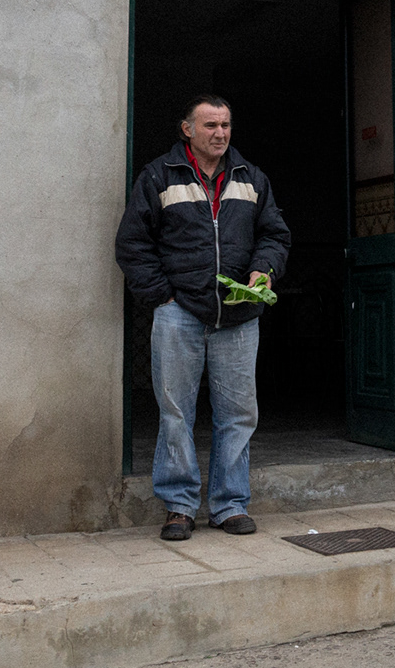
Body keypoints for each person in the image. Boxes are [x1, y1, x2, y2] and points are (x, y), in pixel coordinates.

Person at [115, 95, 290, 541]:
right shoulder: (159, 176)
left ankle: (230, 505)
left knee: (238, 414)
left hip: (239, 316)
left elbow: (275, 234)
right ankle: (179, 506)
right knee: (176, 412)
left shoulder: (252, 179)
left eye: (226, 124)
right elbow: (133, 244)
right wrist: (163, 297)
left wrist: (263, 270)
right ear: (187, 130)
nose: (221, 133)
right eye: (210, 125)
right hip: (180, 314)